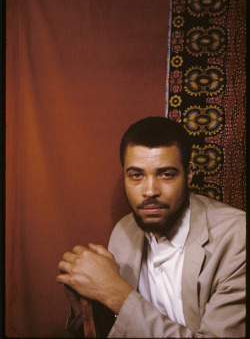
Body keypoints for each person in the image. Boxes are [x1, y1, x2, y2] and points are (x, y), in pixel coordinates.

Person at [56, 116, 246, 338]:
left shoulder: (238, 238)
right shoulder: (123, 231)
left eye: (166, 174)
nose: (149, 191)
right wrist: (86, 295)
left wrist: (116, 293)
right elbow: (120, 328)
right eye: (136, 175)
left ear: (189, 174)